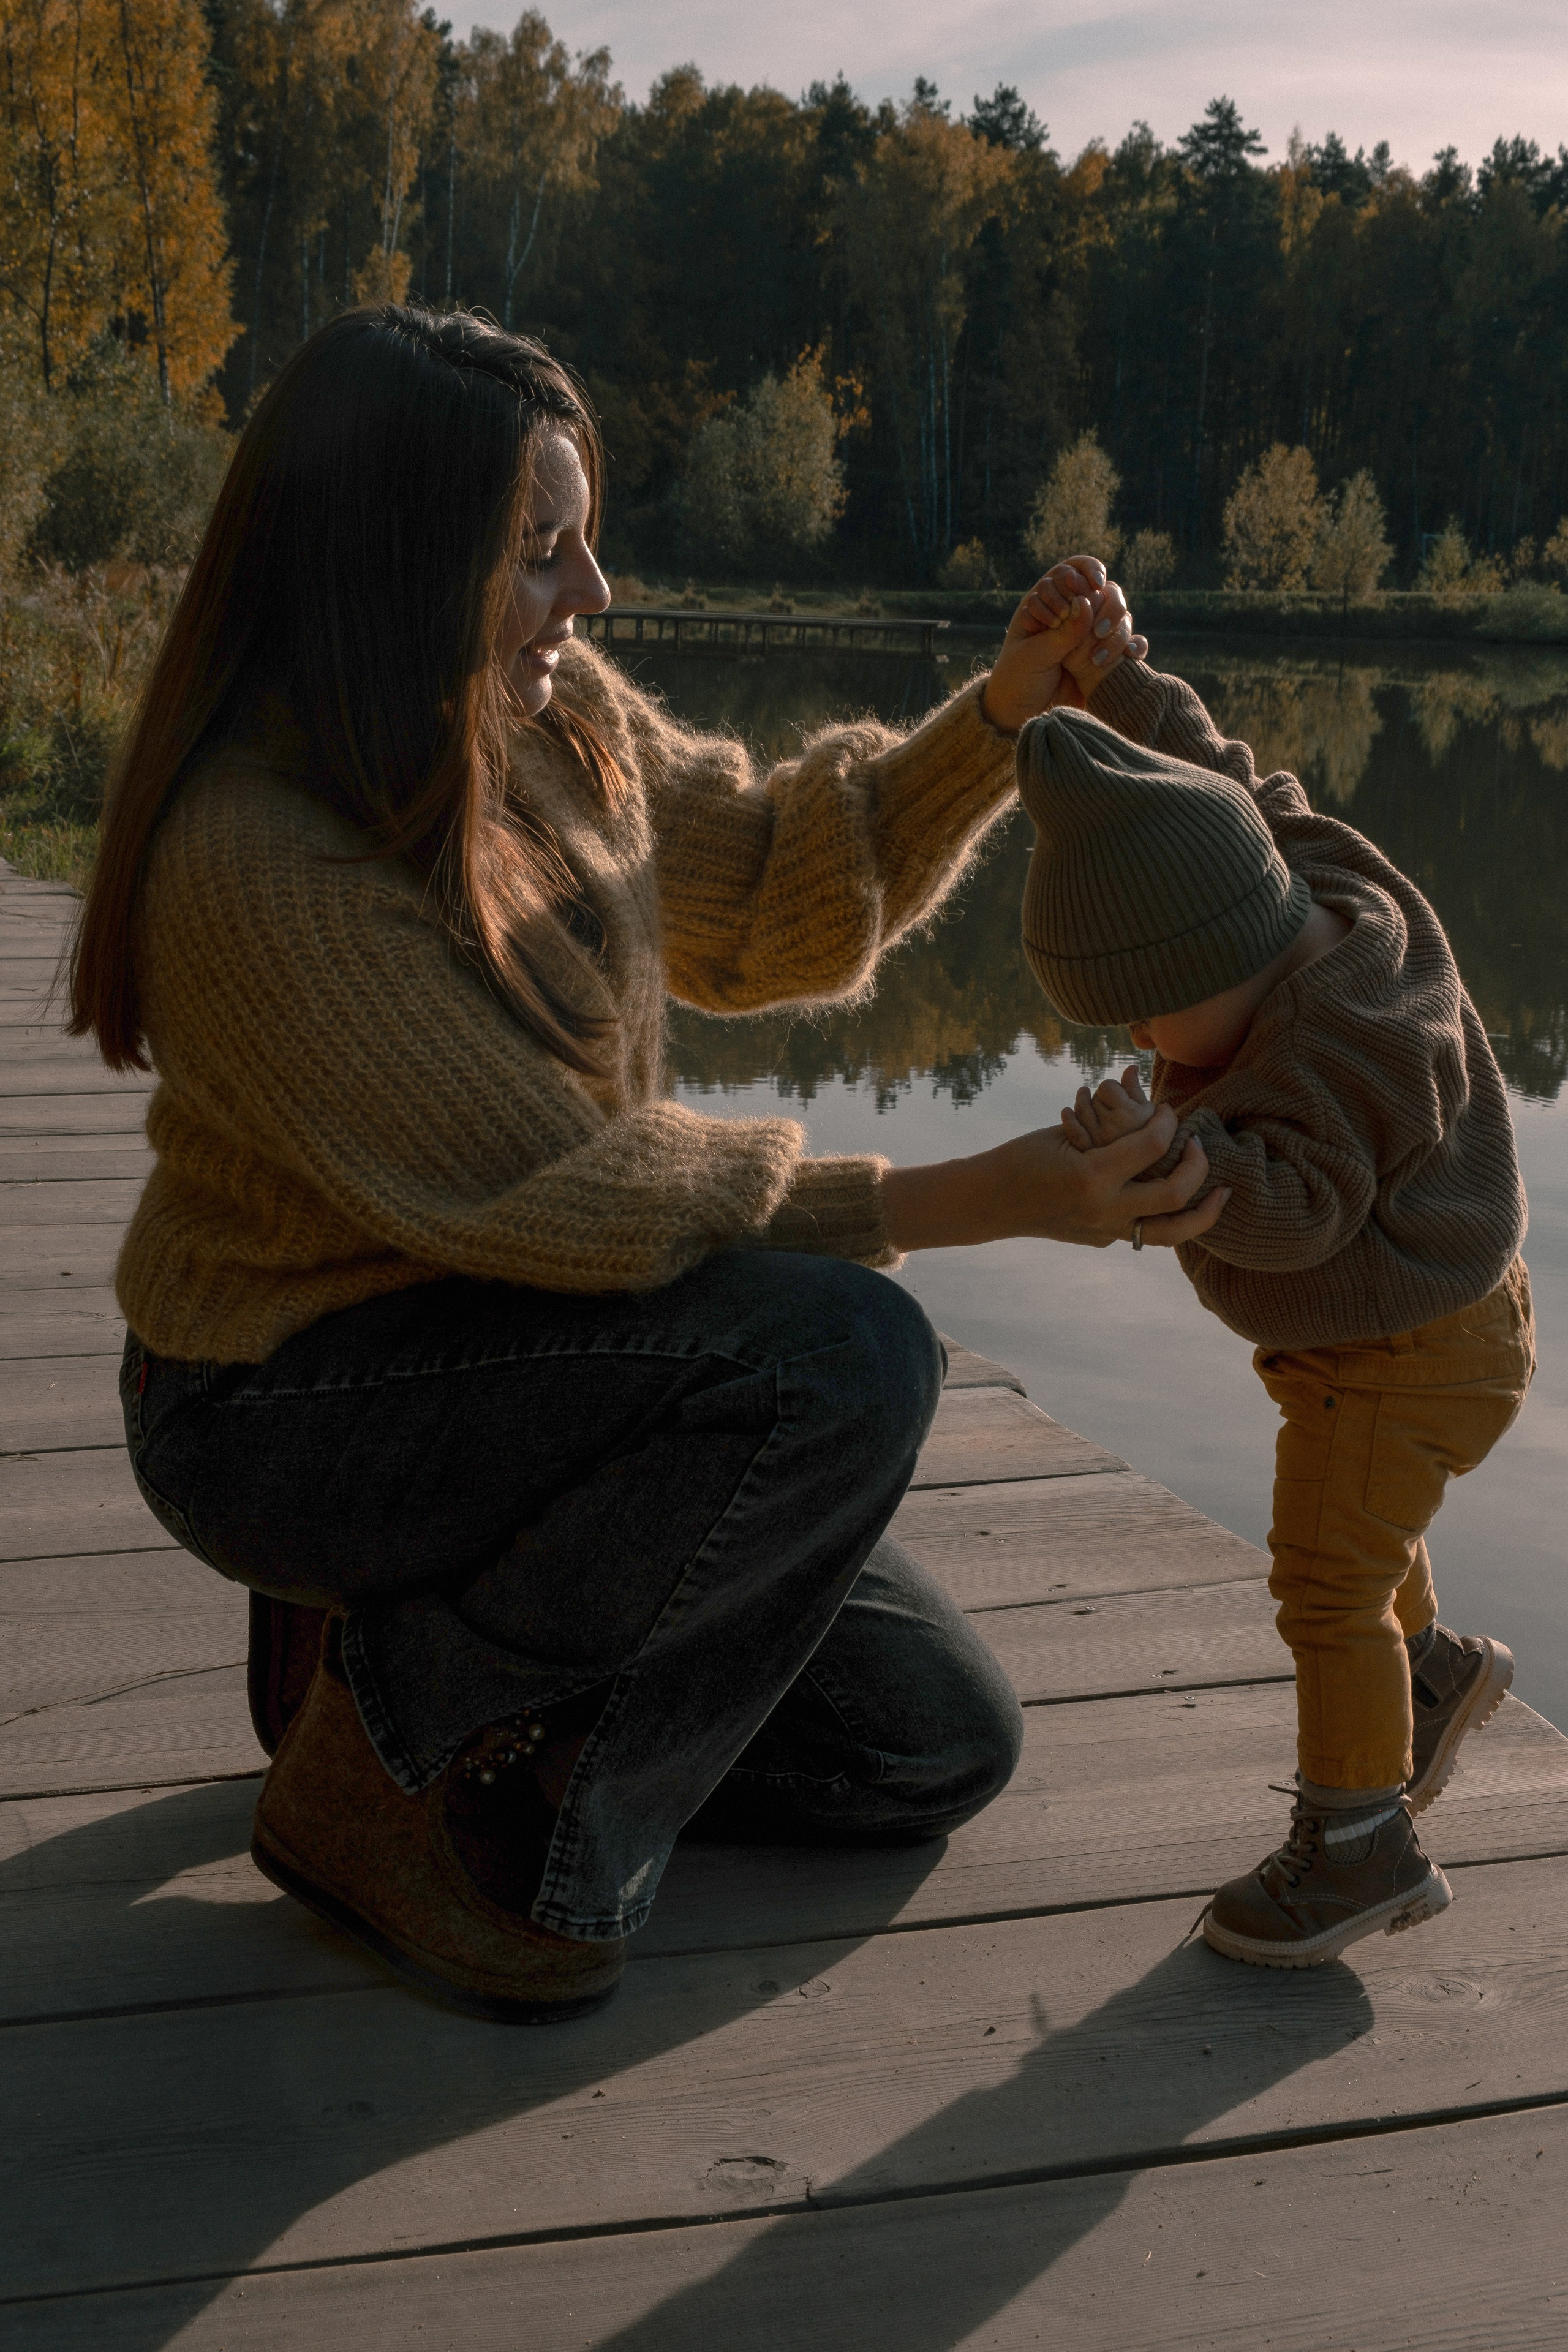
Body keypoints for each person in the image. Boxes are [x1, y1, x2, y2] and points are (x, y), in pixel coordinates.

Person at [67, 306, 1226, 2024]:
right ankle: (405, 1770)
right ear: (391, 558)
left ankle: (397, 1664)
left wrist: (997, 717)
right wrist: (978, 1198)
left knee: (927, 1747)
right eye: (537, 553)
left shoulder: (549, 718)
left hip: (545, 1354)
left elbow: (763, 891)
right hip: (293, 1406)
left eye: (583, 537)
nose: (591, 593)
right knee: (842, 1356)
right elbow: (571, 1193)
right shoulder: (251, 857)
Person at [1013, 653, 1533, 1968]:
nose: (1139, 1037)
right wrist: (1120, 686)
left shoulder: (1333, 1048)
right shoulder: (1310, 872)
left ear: (1213, 951)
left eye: (1142, 1005)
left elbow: (1289, 1208)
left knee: (1320, 1580)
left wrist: (1167, 1158)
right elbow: (1222, 774)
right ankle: (1423, 1680)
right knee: (1360, 1530)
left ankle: (1355, 1843)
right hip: (1443, 1312)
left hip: (1399, 1353)